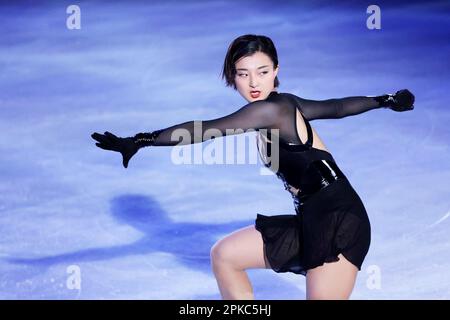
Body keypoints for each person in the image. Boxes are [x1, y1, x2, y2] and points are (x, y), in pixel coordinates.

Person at [91, 34, 415, 300]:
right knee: (225, 255)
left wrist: (142, 139)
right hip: (311, 218)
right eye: (243, 73)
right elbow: (337, 107)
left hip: (338, 222)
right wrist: (383, 100)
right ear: (232, 76)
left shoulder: (272, 109)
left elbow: (205, 129)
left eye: (262, 71)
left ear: (276, 70)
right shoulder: (288, 106)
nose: (253, 82)